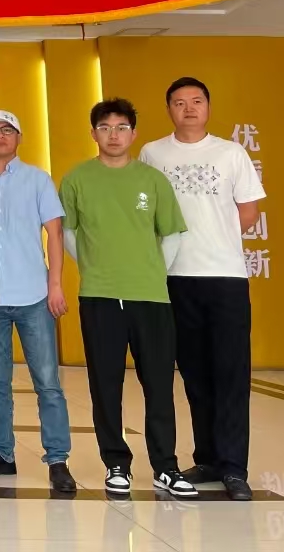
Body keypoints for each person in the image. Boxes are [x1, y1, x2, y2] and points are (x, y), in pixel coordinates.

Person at [60, 97, 196, 500]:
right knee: (105, 384)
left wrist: (152, 272)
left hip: (151, 297)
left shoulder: (152, 180)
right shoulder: (77, 179)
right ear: (93, 133)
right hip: (99, 295)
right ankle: (116, 463)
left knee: (159, 384)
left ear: (133, 134)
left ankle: (165, 467)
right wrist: (94, 266)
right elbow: (68, 233)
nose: (113, 135)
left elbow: (171, 234)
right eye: (105, 128)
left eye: (121, 128)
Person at [139, 77, 265, 502]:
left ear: (208, 107)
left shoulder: (230, 153)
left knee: (231, 373)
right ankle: (208, 458)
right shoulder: (153, 153)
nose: (189, 108)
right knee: (193, 373)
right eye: (179, 102)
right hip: (174, 277)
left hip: (225, 277)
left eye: (196, 101)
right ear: (168, 109)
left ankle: (234, 467)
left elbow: (248, 211)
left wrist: (215, 238)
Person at [0, 111, 77, 494]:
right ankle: (1, 454)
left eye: (7, 130)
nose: (0, 135)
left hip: (33, 296)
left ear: (19, 137)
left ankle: (58, 459)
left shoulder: (38, 179)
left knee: (47, 383)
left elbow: (55, 234)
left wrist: (55, 285)